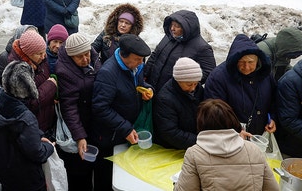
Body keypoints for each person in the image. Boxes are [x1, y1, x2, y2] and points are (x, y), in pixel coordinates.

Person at [91, 34, 154, 191]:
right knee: (107, 176)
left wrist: (146, 89)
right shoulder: (108, 73)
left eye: (142, 59)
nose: (141, 63)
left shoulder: (135, 66)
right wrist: (124, 128)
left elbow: (137, 84)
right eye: (138, 59)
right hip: (109, 135)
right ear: (124, 55)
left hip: (125, 129)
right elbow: (100, 107)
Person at [175, 99, 279, 191]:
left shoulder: (194, 154)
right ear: (232, 120)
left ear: (201, 124)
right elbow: (273, 188)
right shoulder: (254, 149)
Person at [0, 61, 55, 191]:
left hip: (5, 170)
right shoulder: (25, 118)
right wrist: (49, 147)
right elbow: (38, 153)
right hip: (27, 179)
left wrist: (37, 136)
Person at [55, 33, 102, 190]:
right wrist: (80, 136)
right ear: (70, 56)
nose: (85, 59)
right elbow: (69, 107)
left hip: (94, 119)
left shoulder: (93, 56)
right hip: (80, 121)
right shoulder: (64, 71)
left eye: (86, 54)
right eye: (79, 57)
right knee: (79, 169)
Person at [205, 34, 277, 136]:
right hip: (232, 137)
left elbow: (274, 100)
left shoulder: (265, 74)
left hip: (260, 135)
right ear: (235, 61)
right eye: (241, 62)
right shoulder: (218, 78)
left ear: (258, 61)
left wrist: (273, 118)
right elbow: (214, 113)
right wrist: (235, 131)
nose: (246, 67)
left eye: (250, 62)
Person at [0, 28, 57, 137]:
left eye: (44, 52)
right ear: (28, 53)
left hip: (44, 119)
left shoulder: (39, 60)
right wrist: (51, 86)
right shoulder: (18, 72)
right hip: (31, 128)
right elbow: (30, 104)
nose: (43, 56)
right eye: (39, 53)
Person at [144, 9, 215, 92]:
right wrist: (145, 74)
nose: (172, 28)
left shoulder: (202, 48)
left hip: (175, 93)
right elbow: (155, 55)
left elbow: (209, 72)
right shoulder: (169, 37)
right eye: (172, 24)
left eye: (177, 26)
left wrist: (185, 83)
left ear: (187, 28)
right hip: (152, 87)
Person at [154, 57, 204, 150]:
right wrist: (200, 141)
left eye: (196, 83)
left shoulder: (198, 89)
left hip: (194, 137)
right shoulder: (165, 99)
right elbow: (169, 132)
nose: (193, 88)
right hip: (174, 146)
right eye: (189, 84)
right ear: (178, 80)